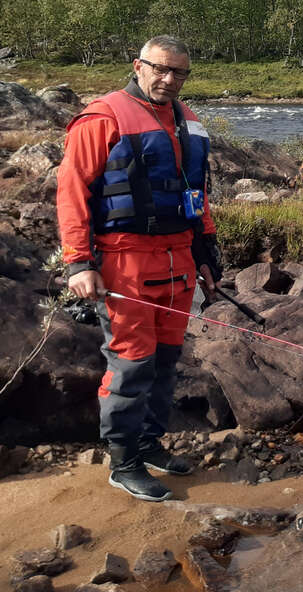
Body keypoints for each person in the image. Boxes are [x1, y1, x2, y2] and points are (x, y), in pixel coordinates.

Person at [57, 35, 222, 501]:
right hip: (124, 261)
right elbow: (72, 193)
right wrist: (79, 263)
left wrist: (206, 255)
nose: (169, 80)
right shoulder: (102, 118)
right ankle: (123, 462)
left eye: (180, 73)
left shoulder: (189, 120)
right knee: (130, 364)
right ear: (138, 65)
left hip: (180, 261)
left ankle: (149, 444)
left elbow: (197, 195)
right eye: (161, 69)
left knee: (166, 363)